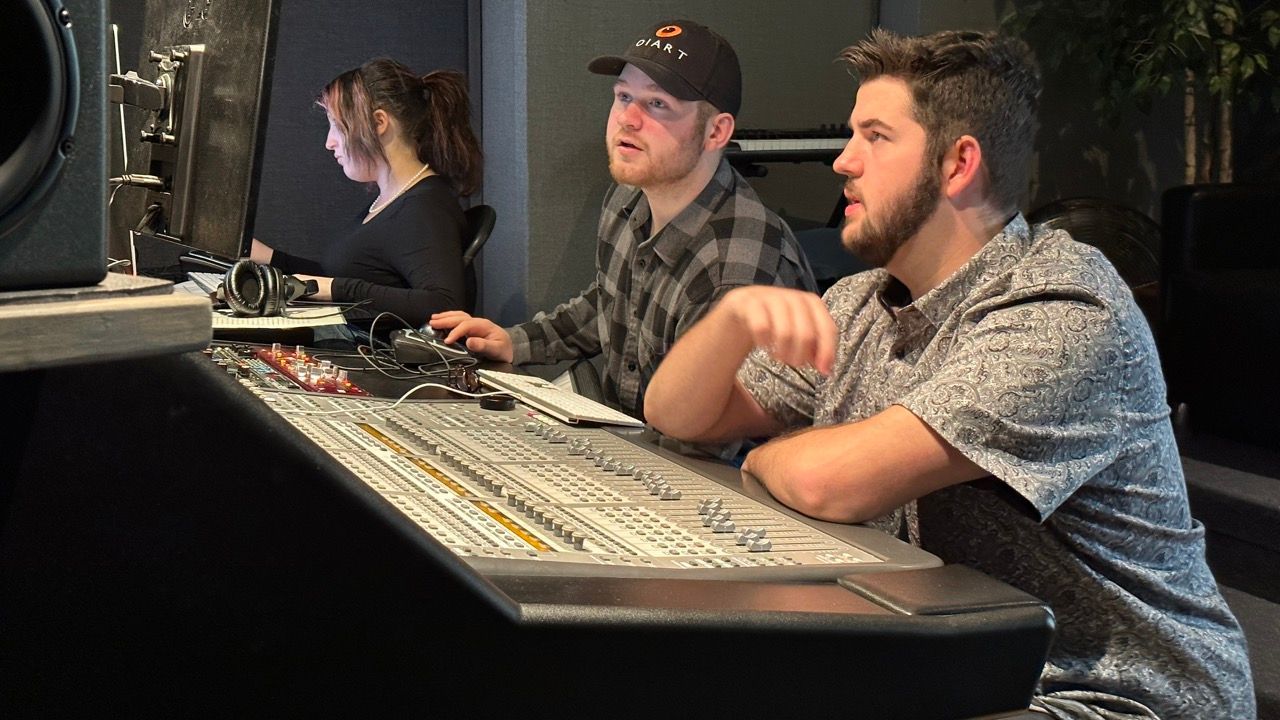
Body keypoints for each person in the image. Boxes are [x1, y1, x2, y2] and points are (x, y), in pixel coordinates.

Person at [644, 29, 1254, 720]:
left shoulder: (1064, 307)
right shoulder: (860, 301)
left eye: (875, 137)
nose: (843, 161)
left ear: (958, 163)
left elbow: (827, 483)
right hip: (962, 664)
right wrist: (731, 320)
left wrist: (764, 459)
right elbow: (678, 416)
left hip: (1113, 697)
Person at [430, 19, 816, 437]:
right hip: (630, 444)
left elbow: (706, 442)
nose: (628, 119)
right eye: (623, 96)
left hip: (702, 476)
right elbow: (611, 302)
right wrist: (515, 341)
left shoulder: (740, 261)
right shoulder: (628, 196)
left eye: (657, 105)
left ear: (716, 131)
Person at [251, 58, 482, 327]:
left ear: (378, 123)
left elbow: (444, 305)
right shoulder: (393, 199)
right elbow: (339, 276)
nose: (329, 142)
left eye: (337, 126)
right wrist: (267, 258)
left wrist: (339, 289)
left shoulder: (424, 207)